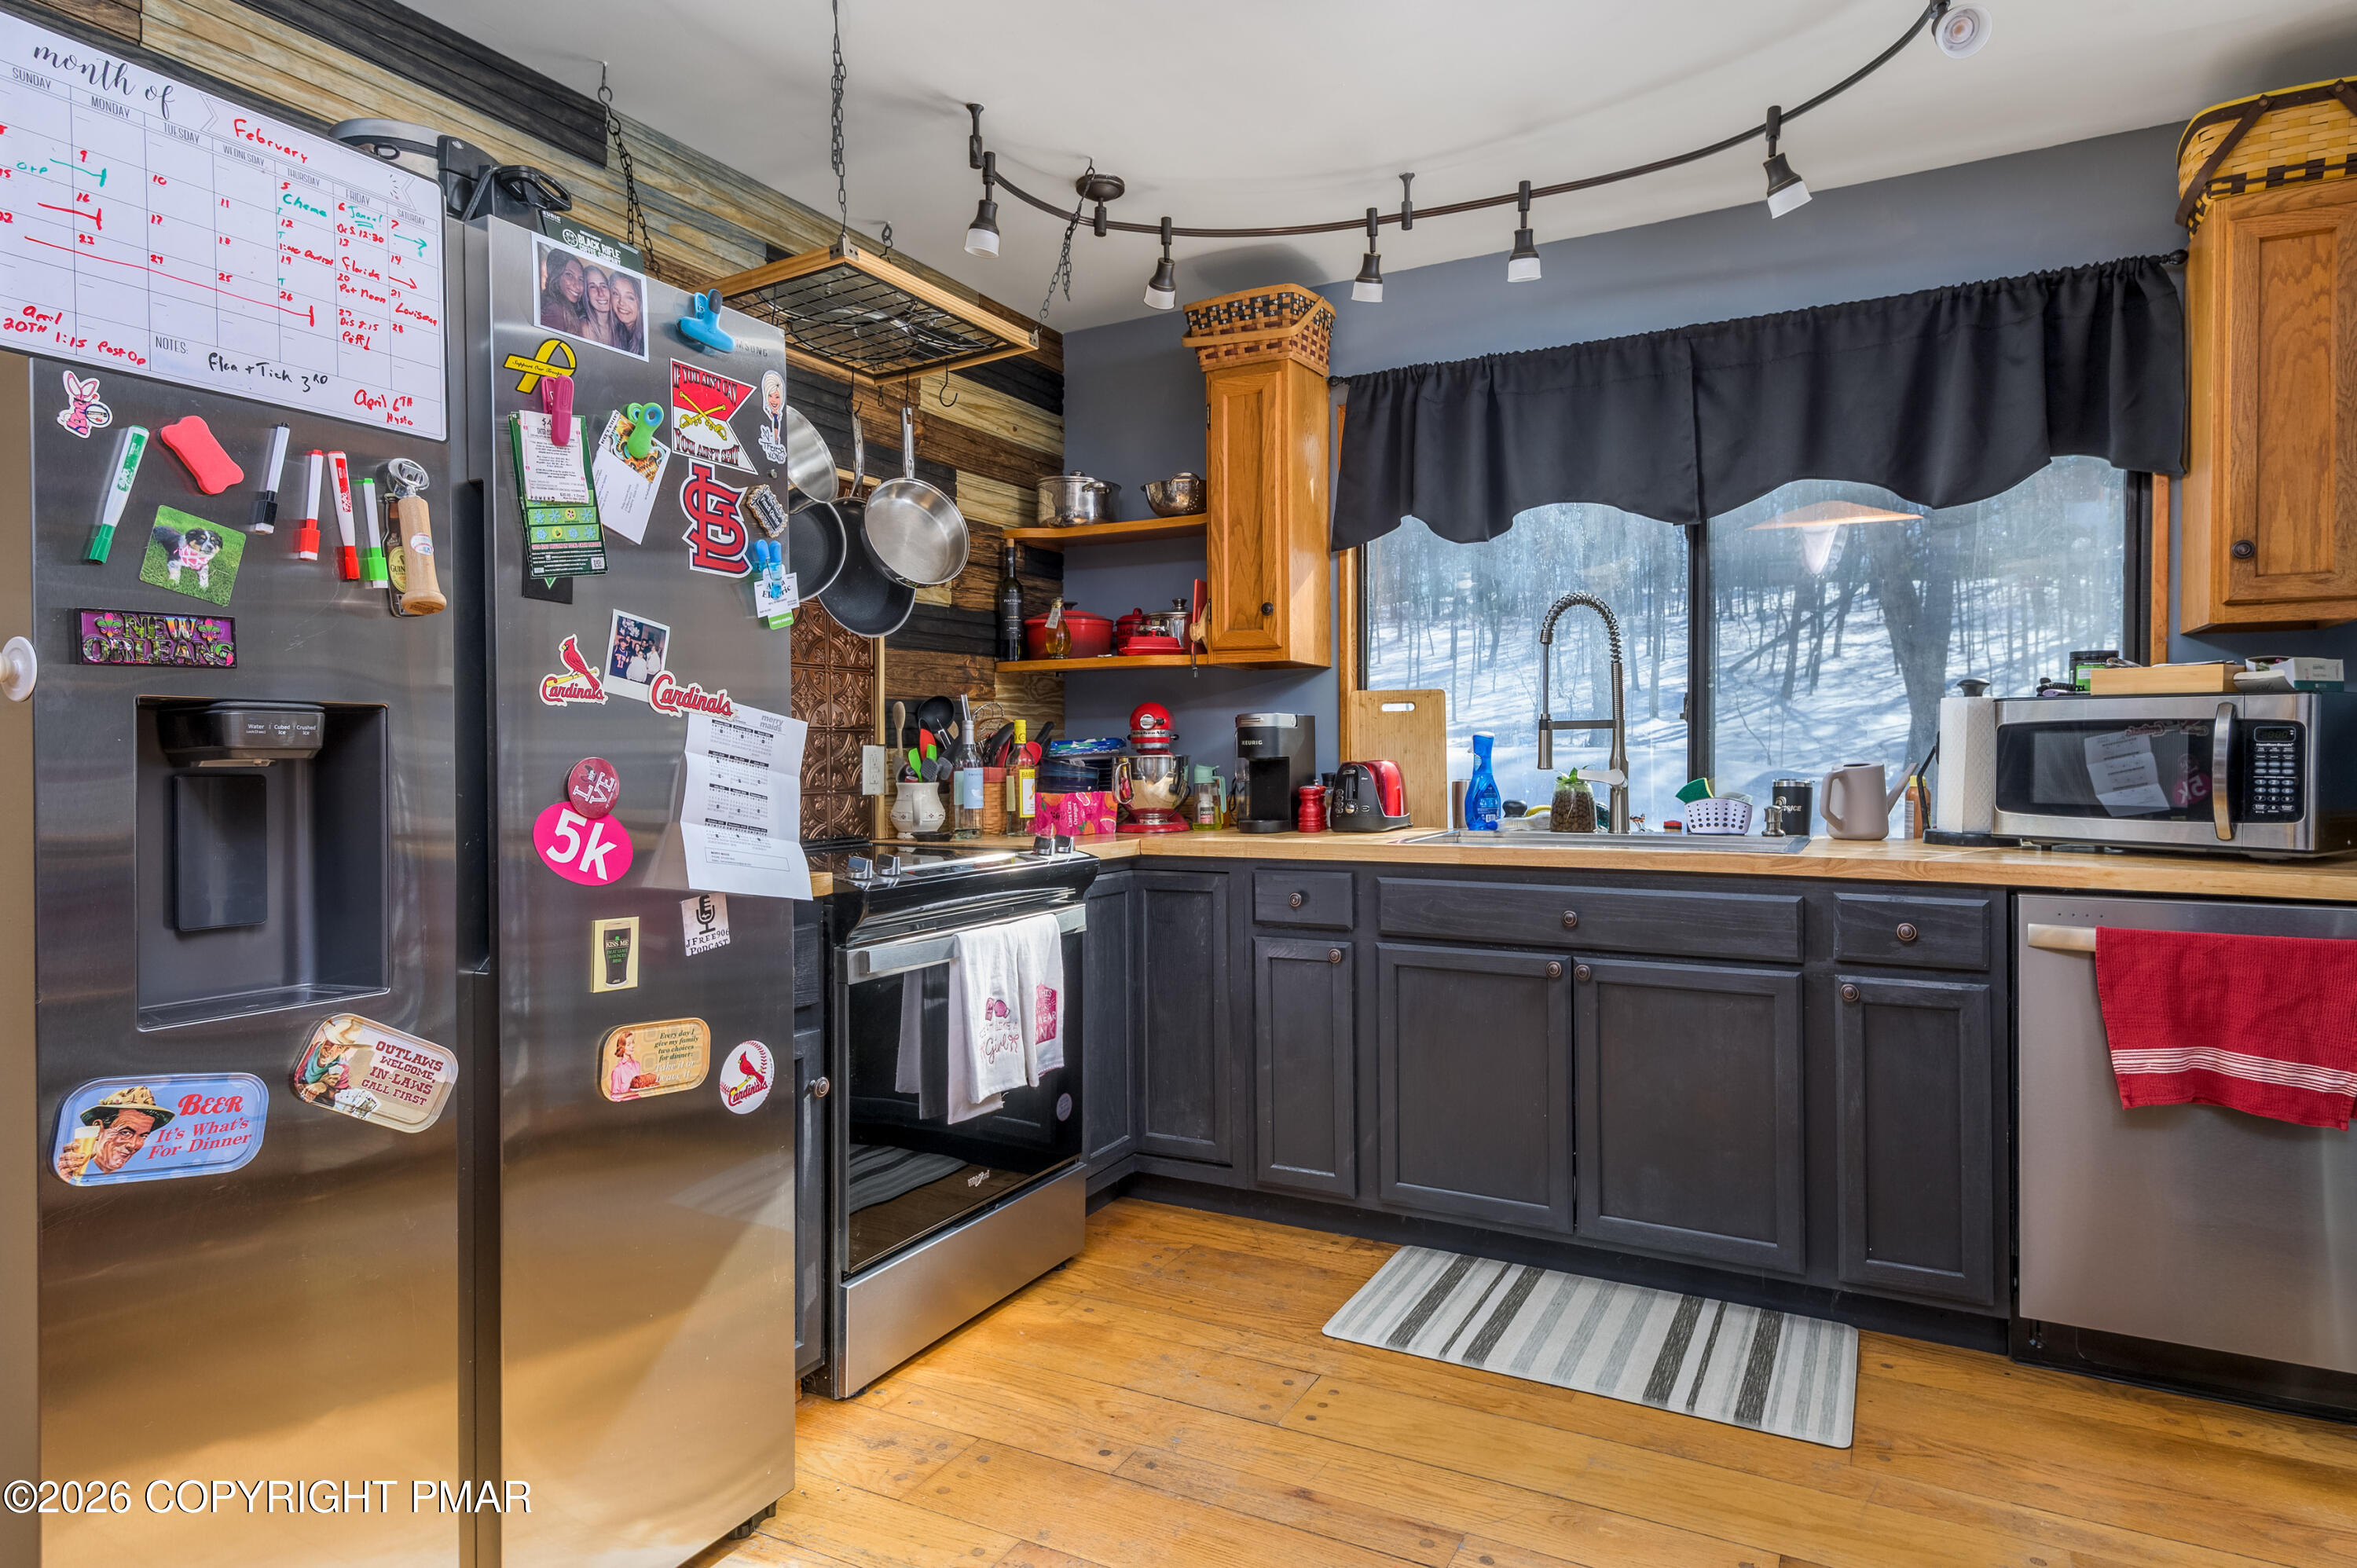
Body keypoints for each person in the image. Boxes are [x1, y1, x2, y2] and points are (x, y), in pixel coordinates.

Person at [57, 1085, 174, 1182]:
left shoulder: (143, 1170)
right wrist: (65, 1176)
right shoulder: (80, 1167)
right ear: (98, 1128)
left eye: (143, 1136)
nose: (133, 1145)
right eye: (125, 1133)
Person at [540, 248, 586, 335]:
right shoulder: (554, 310)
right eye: (569, 275)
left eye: (581, 279)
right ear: (556, 275)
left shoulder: (570, 309)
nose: (577, 285)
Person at [580, 265, 618, 349]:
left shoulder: (622, 326)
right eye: (592, 287)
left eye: (604, 286)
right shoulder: (585, 327)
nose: (600, 293)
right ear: (586, 295)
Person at [609, 275, 645, 356]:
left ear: (641, 304)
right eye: (616, 294)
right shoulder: (618, 331)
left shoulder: (645, 340)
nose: (621, 302)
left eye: (630, 297)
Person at [607, 1031, 647, 1101]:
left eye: (633, 1042)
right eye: (628, 1044)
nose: (632, 1046)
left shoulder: (637, 1065)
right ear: (622, 1047)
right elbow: (614, 1096)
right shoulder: (618, 1070)